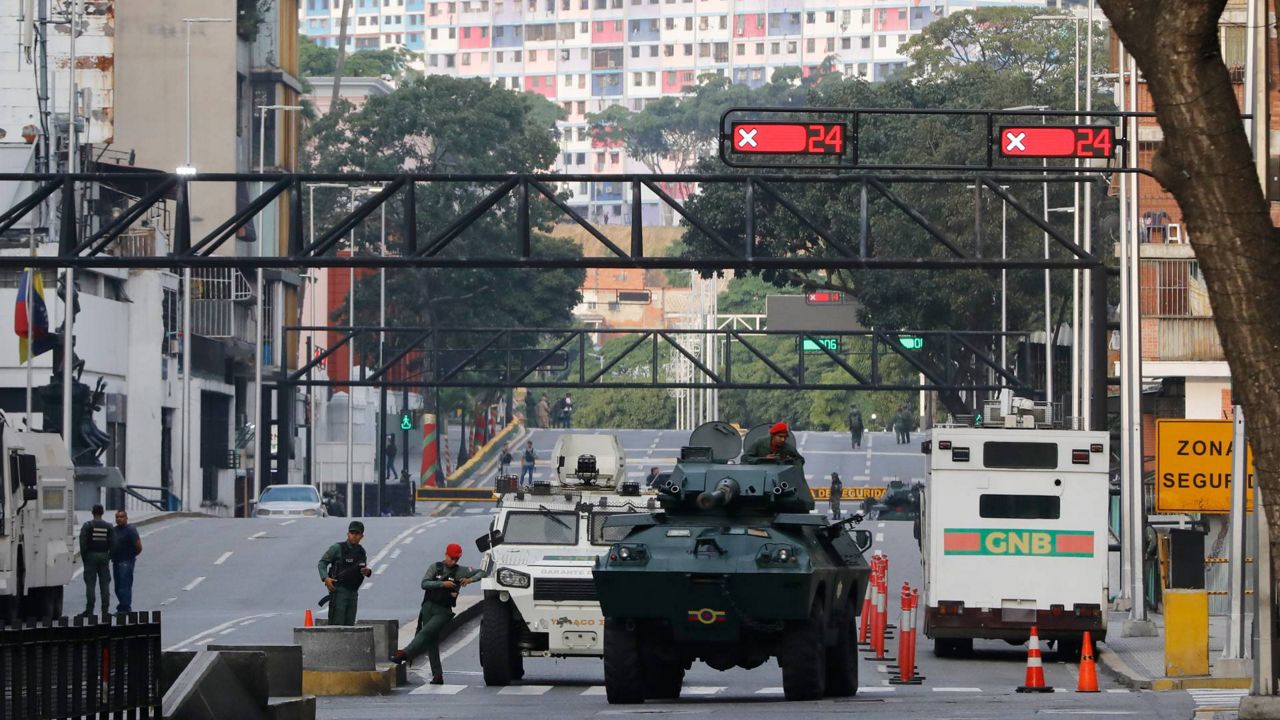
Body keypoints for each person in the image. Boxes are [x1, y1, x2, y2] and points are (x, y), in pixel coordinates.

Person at [391, 543, 485, 684]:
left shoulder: (461, 571)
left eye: (456, 559)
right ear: (445, 555)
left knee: (425, 633)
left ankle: (404, 653)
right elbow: (424, 583)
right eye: (451, 558)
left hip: (444, 611)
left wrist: (470, 579)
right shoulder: (436, 567)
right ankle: (437, 675)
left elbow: (482, 572)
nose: (453, 562)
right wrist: (442, 584)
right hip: (428, 607)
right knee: (431, 642)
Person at [317, 521, 372, 625]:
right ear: (348, 534)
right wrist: (326, 578)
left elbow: (362, 568)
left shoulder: (361, 552)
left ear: (362, 536)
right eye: (352, 533)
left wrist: (367, 571)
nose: (354, 536)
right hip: (339, 591)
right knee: (337, 623)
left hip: (353, 592)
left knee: (350, 624)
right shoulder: (337, 548)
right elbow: (322, 563)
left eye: (357, 534)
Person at [78, 504, 114, 617]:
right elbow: (113, 543)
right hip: (104, 556)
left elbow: (82, 543)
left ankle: (89, 610)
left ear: (92, 512)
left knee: (90, 584)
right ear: (103, 512)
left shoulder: (88, 525)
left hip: (91, 556)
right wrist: (109, 556)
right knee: (105, 584)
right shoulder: (109, 526)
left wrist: (85, 557)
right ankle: (105, 610)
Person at [110, 510, 142, 613]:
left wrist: (130, 557)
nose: (119, 519)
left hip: (126, 561)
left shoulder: (131, 530)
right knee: (118, 586)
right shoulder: (114, 530)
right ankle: (123, 605)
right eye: (117, 517)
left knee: (125, 585)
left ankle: (125, 607)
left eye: (121, 517)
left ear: (126, 518)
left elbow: (138, 547)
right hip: (116, 561)